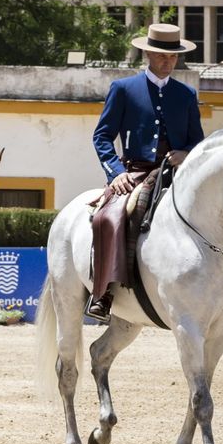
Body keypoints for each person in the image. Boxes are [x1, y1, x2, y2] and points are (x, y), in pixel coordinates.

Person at [87, 22, 204, 321]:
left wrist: (186, 154)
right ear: (149, 55)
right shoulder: (124, 89)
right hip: (135, 172)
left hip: (177, 172)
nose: (168, 61)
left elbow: (197, 141)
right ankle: (104, 292)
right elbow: (102, 136)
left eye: (174, 56)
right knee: (109, 216)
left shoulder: (187, 95)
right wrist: (115, 173)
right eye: (163, 56)